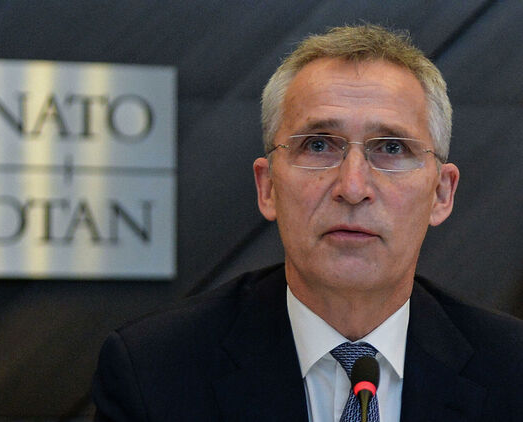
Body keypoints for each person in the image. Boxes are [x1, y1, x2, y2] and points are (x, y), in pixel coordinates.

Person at [91, 24, 523, 422]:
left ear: (441, 194)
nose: (352, 187)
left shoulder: (512, 370)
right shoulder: (154, 372)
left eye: (391, 148)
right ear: (268, 187)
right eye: (318, 145)